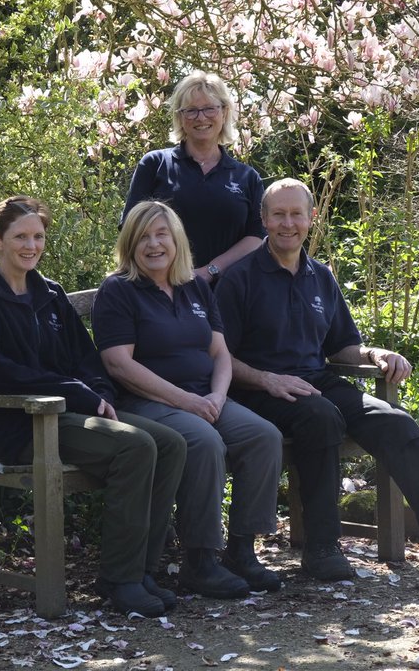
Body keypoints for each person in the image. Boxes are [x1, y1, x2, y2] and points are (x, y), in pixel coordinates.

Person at [215, 178, 419, 583]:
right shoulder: (240, 279)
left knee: (394, 420)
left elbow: (342, 347)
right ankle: (322, 547)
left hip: (316, 383)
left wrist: (374, 354)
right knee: (320, 416)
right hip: (257, 392)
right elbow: (219, 356)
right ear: (263, 219)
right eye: (278, 214)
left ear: (312, 218)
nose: (287, 223)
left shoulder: (320, 277)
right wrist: (267, 379)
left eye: (296, 214)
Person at [0, 196, 188, 617]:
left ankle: (141, 571)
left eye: (38, 236)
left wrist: (99, 393)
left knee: (170, 442)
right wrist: (76, 392)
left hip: (74, 417)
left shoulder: (51, 294)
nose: (31, 246)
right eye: (20, 237)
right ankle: (120, 580)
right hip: (24, 429)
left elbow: (86, 357)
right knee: (136, 447)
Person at [91, 200, 285, 598]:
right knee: (204, 440)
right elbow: (119, 365)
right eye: (143, 237)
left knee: (263, 436)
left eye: (161, 234)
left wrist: (216, 395)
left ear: (176, 240)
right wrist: (187, 401)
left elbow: (220, 353)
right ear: (129, 244)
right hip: (146, 402)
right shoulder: (119, 290)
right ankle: (200, 561)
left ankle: (242, 551)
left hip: (205, 396)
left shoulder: (194, 286)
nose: (154, 244)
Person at [122, 70, 265, 284]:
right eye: (191, 111)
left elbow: (257, 237)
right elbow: (130, 229)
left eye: (209, 108)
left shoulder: (247, 177)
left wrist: (210, 270)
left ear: (224, 112)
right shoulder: (155, 165)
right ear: (180, 117)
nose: (201, 118)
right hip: (164, 291)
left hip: (229, 295)